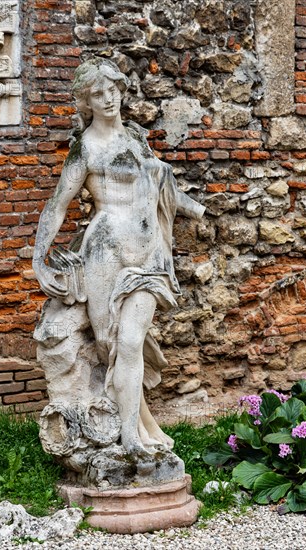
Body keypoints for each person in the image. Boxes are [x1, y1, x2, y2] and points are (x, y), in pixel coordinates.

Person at [33, 58, 205, 456]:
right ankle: (136, 430)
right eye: (98, 93)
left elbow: (156, 188)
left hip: (147, 257)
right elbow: (58, 205)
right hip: (105, 254)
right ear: (86, 101)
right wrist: (39, 259)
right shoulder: (86, 148)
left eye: (112, 89)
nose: (108, 98)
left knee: (130, 340)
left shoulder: (135, 138)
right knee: (114, 346)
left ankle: (131, 436)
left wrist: (196, 209)